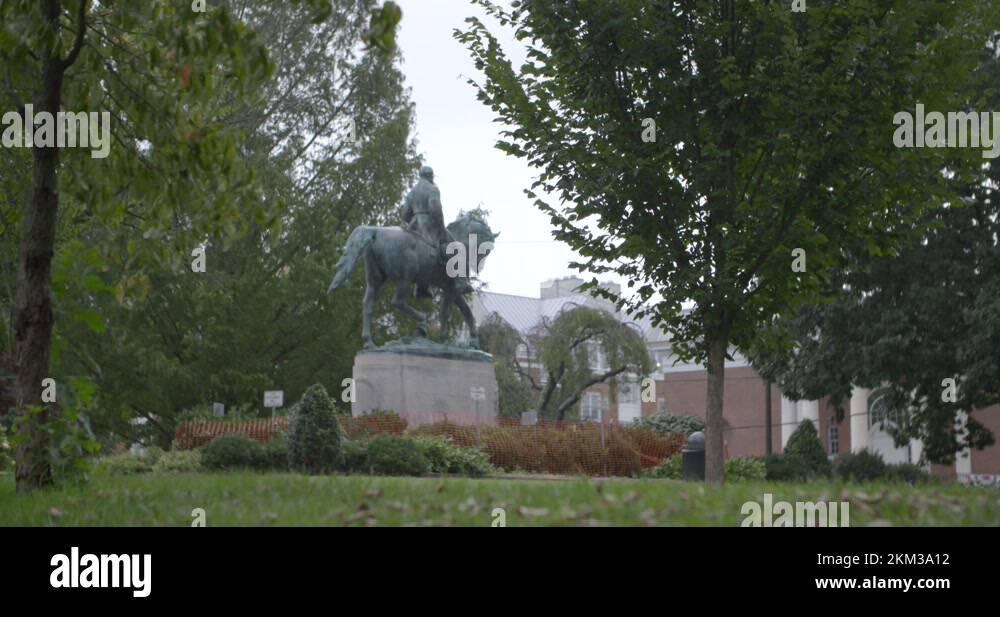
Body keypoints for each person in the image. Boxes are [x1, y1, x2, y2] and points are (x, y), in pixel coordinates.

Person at [400, 166, 471, 298]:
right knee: (457, 247)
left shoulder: (412, 192)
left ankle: (421, 288)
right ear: (430, 176)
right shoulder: (432, 189)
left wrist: (415, 217)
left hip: (413, 226)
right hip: (429, 225)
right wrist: (441, 228)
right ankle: (461, 282)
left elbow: (404, 215)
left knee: (421, 253)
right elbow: (436, 210)